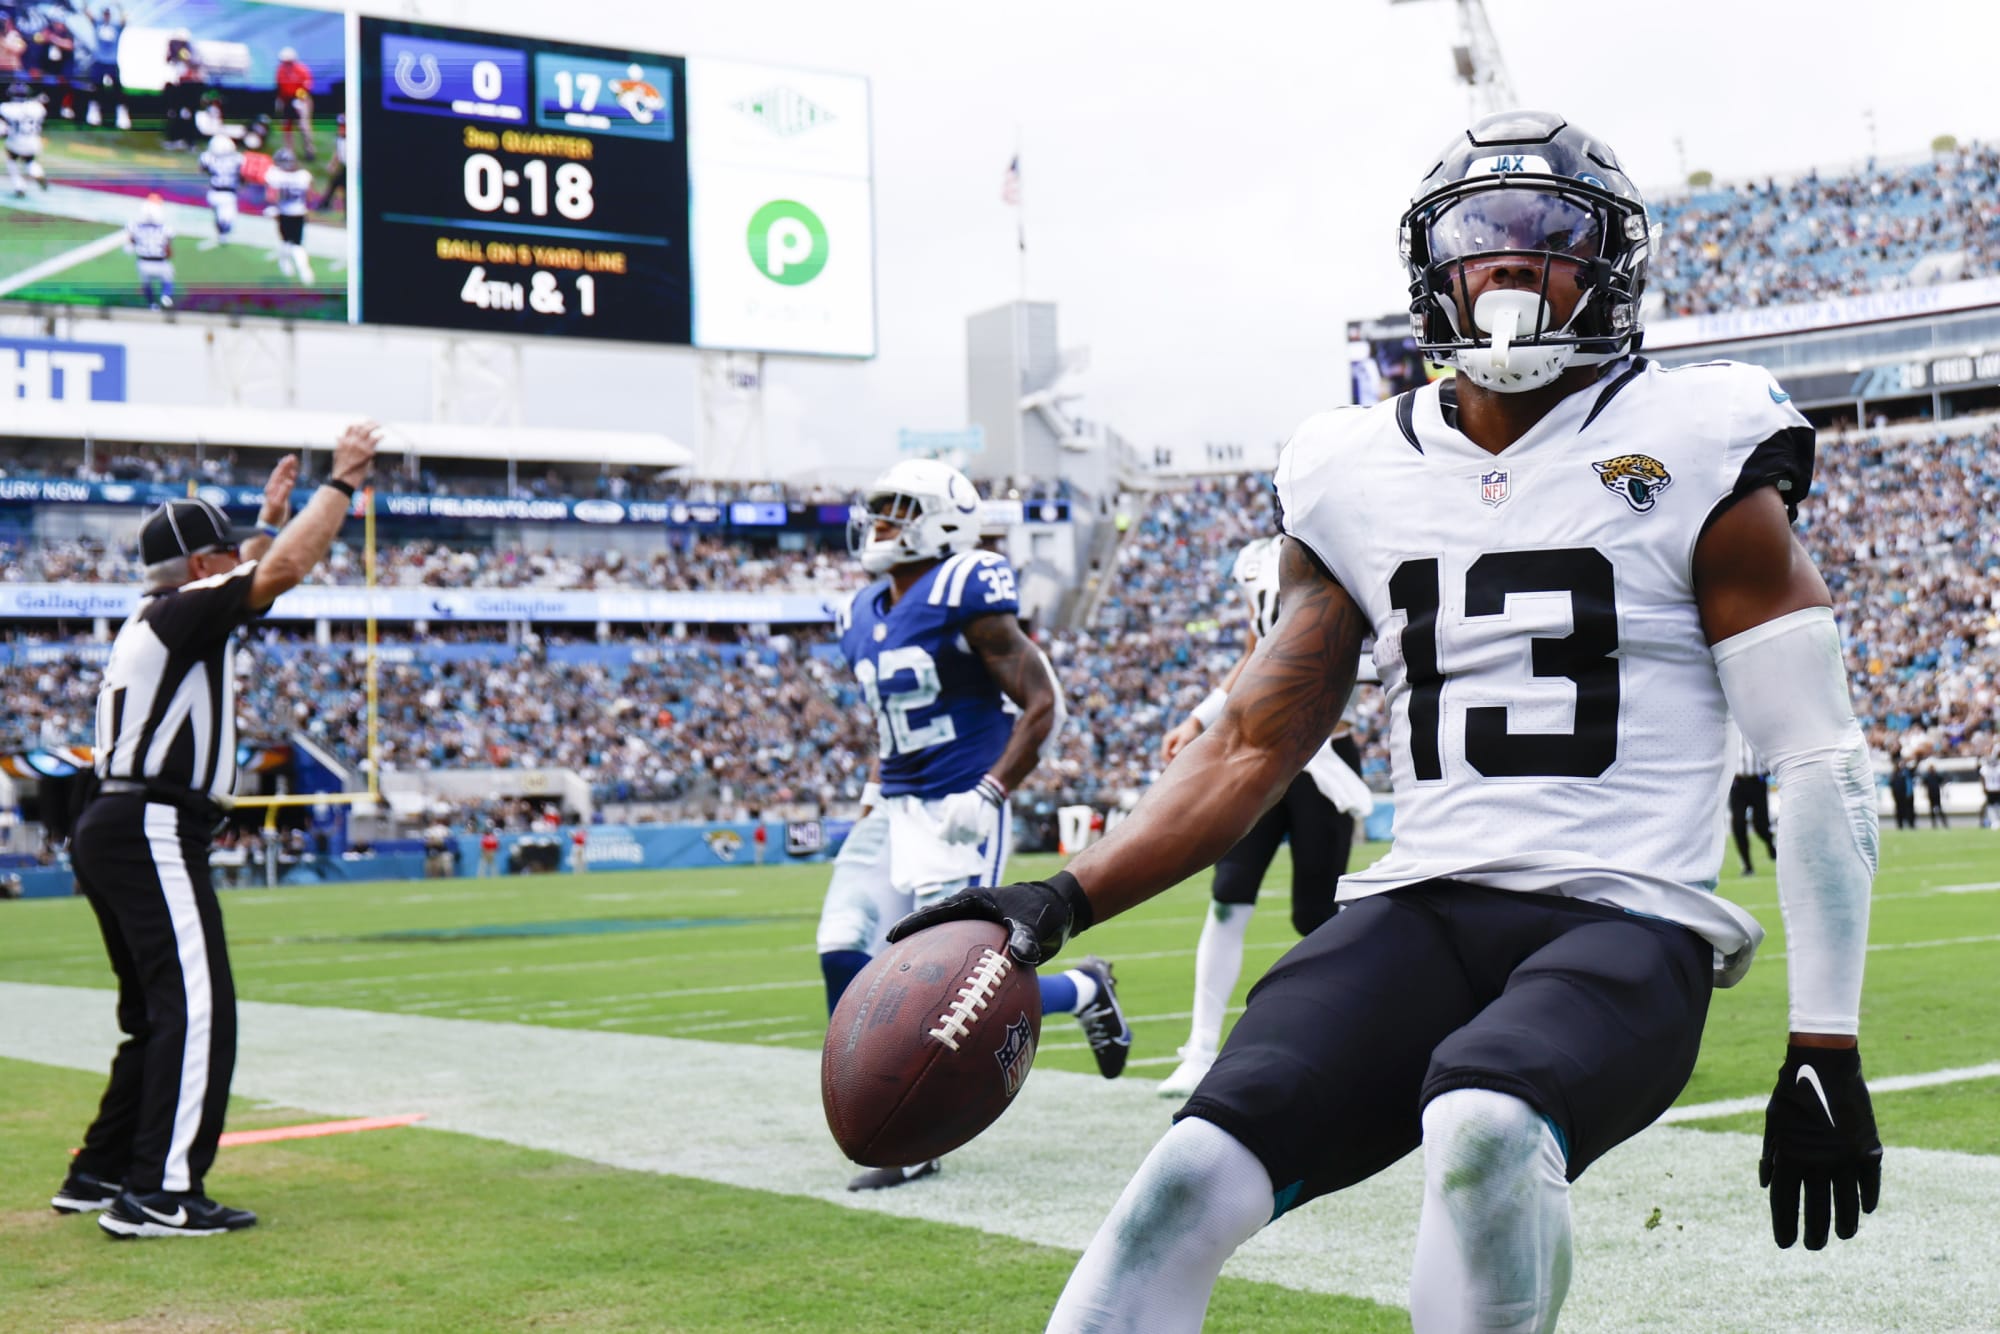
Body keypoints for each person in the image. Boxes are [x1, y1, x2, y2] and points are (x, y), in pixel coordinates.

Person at [894, 112, 1882, 1331]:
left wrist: (1823, 1038)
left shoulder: (1694, 435)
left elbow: (1813, 752)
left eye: (1549, 238)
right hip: (1420, 904)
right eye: (1480, 242)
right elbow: (1256, 738)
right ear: (1432, 271)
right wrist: (1056, 898)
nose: (1510, 267)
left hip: (1629, 913)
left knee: (1482, 1121)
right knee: (1176, 1182)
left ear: (1612, 265)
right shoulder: (1353, 466)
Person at [54, 422, 380, 1238]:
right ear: (199, 566)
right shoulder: (186, 611)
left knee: (155, 1012)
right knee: (198, 1009)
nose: (237, 559)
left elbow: (247, 569)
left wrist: (267, 516)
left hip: (118, 818)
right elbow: (280, 572)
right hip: (151, 821)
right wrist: (338, 485)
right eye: (225, 550)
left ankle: (101, 1171)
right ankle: (160, 1192)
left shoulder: (155, 614)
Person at [816, 458, 1131, 1191]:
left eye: (895, 510)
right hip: (894, 803)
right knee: (840, 944)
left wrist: (990, 792)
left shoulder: (968, 585)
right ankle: (878, 1103)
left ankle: (916, 1136)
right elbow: (893, 725)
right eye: (878, 511)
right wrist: (870, 793)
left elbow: (1042, 698)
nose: (880, 525)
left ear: (939, 519)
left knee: (952, 983)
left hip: (959, 805)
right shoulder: (861, 610)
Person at [1153, 535, 1375, 1098]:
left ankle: (1342, 1039)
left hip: (1323, 752)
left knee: (1316, 915)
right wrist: (1199, 717)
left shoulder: (1346, 547)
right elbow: (1258, 651)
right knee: (1229, 894)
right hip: (1260, 750)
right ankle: (1201, 1048)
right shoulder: (1258, 559)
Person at [1728, 723, 1777, 875]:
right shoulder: (1730, 727)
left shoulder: (1758, 726)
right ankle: (1747, 865)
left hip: (1757, 781)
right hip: (1737, 782)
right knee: (1738, 824)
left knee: (1761, 825)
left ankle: (1770, 842)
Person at [263, 147, 314, 285]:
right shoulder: (303, 175)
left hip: (285, 213)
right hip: (299, 212)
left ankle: (290, 266)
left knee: (287, 241)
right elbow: (309, 196)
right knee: (296, 243)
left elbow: (271, 195)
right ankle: (297, 268)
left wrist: (273, 208)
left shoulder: (276, 175)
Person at [124, 193, 173, 310]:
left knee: (146, 284)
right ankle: (166, 296)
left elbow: (131, 242)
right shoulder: (165, 229)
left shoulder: (135, 226)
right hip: (160, 262)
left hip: (143, 262)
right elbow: (169, 251)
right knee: (168, 279)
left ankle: (151, 304)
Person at [3, 79, 48, 196]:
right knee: (29, 160)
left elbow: (4, 128)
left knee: (11, 159)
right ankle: (37, 172)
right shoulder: (37, 107)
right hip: (33, 140)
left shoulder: (5, 108)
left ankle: (19, 186)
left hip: (16, 140)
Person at [198, 134, 241, 242]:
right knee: (227, 219)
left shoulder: (207, 157)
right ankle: (223, 233)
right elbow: (243, 174)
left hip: (214, 192)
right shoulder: (237, 158)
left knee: (221, 216)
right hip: (229, 193)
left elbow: (202, 171)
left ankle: (221, 231)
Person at [273, 46, 313, 161]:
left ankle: (309, 151)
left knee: (304, 126)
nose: (285, 64)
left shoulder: (301, 70)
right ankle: (289, 152)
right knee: (287, 127)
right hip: (286, 100)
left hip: (301, 100)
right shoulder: (280, 71)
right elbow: (279, 87)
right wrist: (281, 101)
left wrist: (298, 99)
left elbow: (307, 86)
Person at [1888, 757, 1918, 831]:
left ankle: (1911, 824)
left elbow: (1914, 768)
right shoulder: (1895, 774)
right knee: (1899, 811)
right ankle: (1900, 825)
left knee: (1909, 810)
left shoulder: (1907, 772)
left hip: (1907, 795)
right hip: (1899, 796)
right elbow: (1892, 784)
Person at [1921, 758, 1948, 828]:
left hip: (1936, 794)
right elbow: (1924, 785)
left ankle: (1944, 823)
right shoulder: (1927, 776)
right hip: (1931, 794)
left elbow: (1942, 782)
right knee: (1932, 810)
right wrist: (1925, 793)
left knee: (1939, 808)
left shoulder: (1936, 775)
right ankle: (1934, 824)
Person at [1979, 746, 2000, 831]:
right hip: (1991, 789)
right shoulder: (1985, 768)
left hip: (1995, 789)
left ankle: (1996, 821)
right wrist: (1984, 787)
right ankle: (1994, 821)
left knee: (1996, 806)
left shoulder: (1997, 768)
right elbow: (1982, 778)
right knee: (1991, 806)